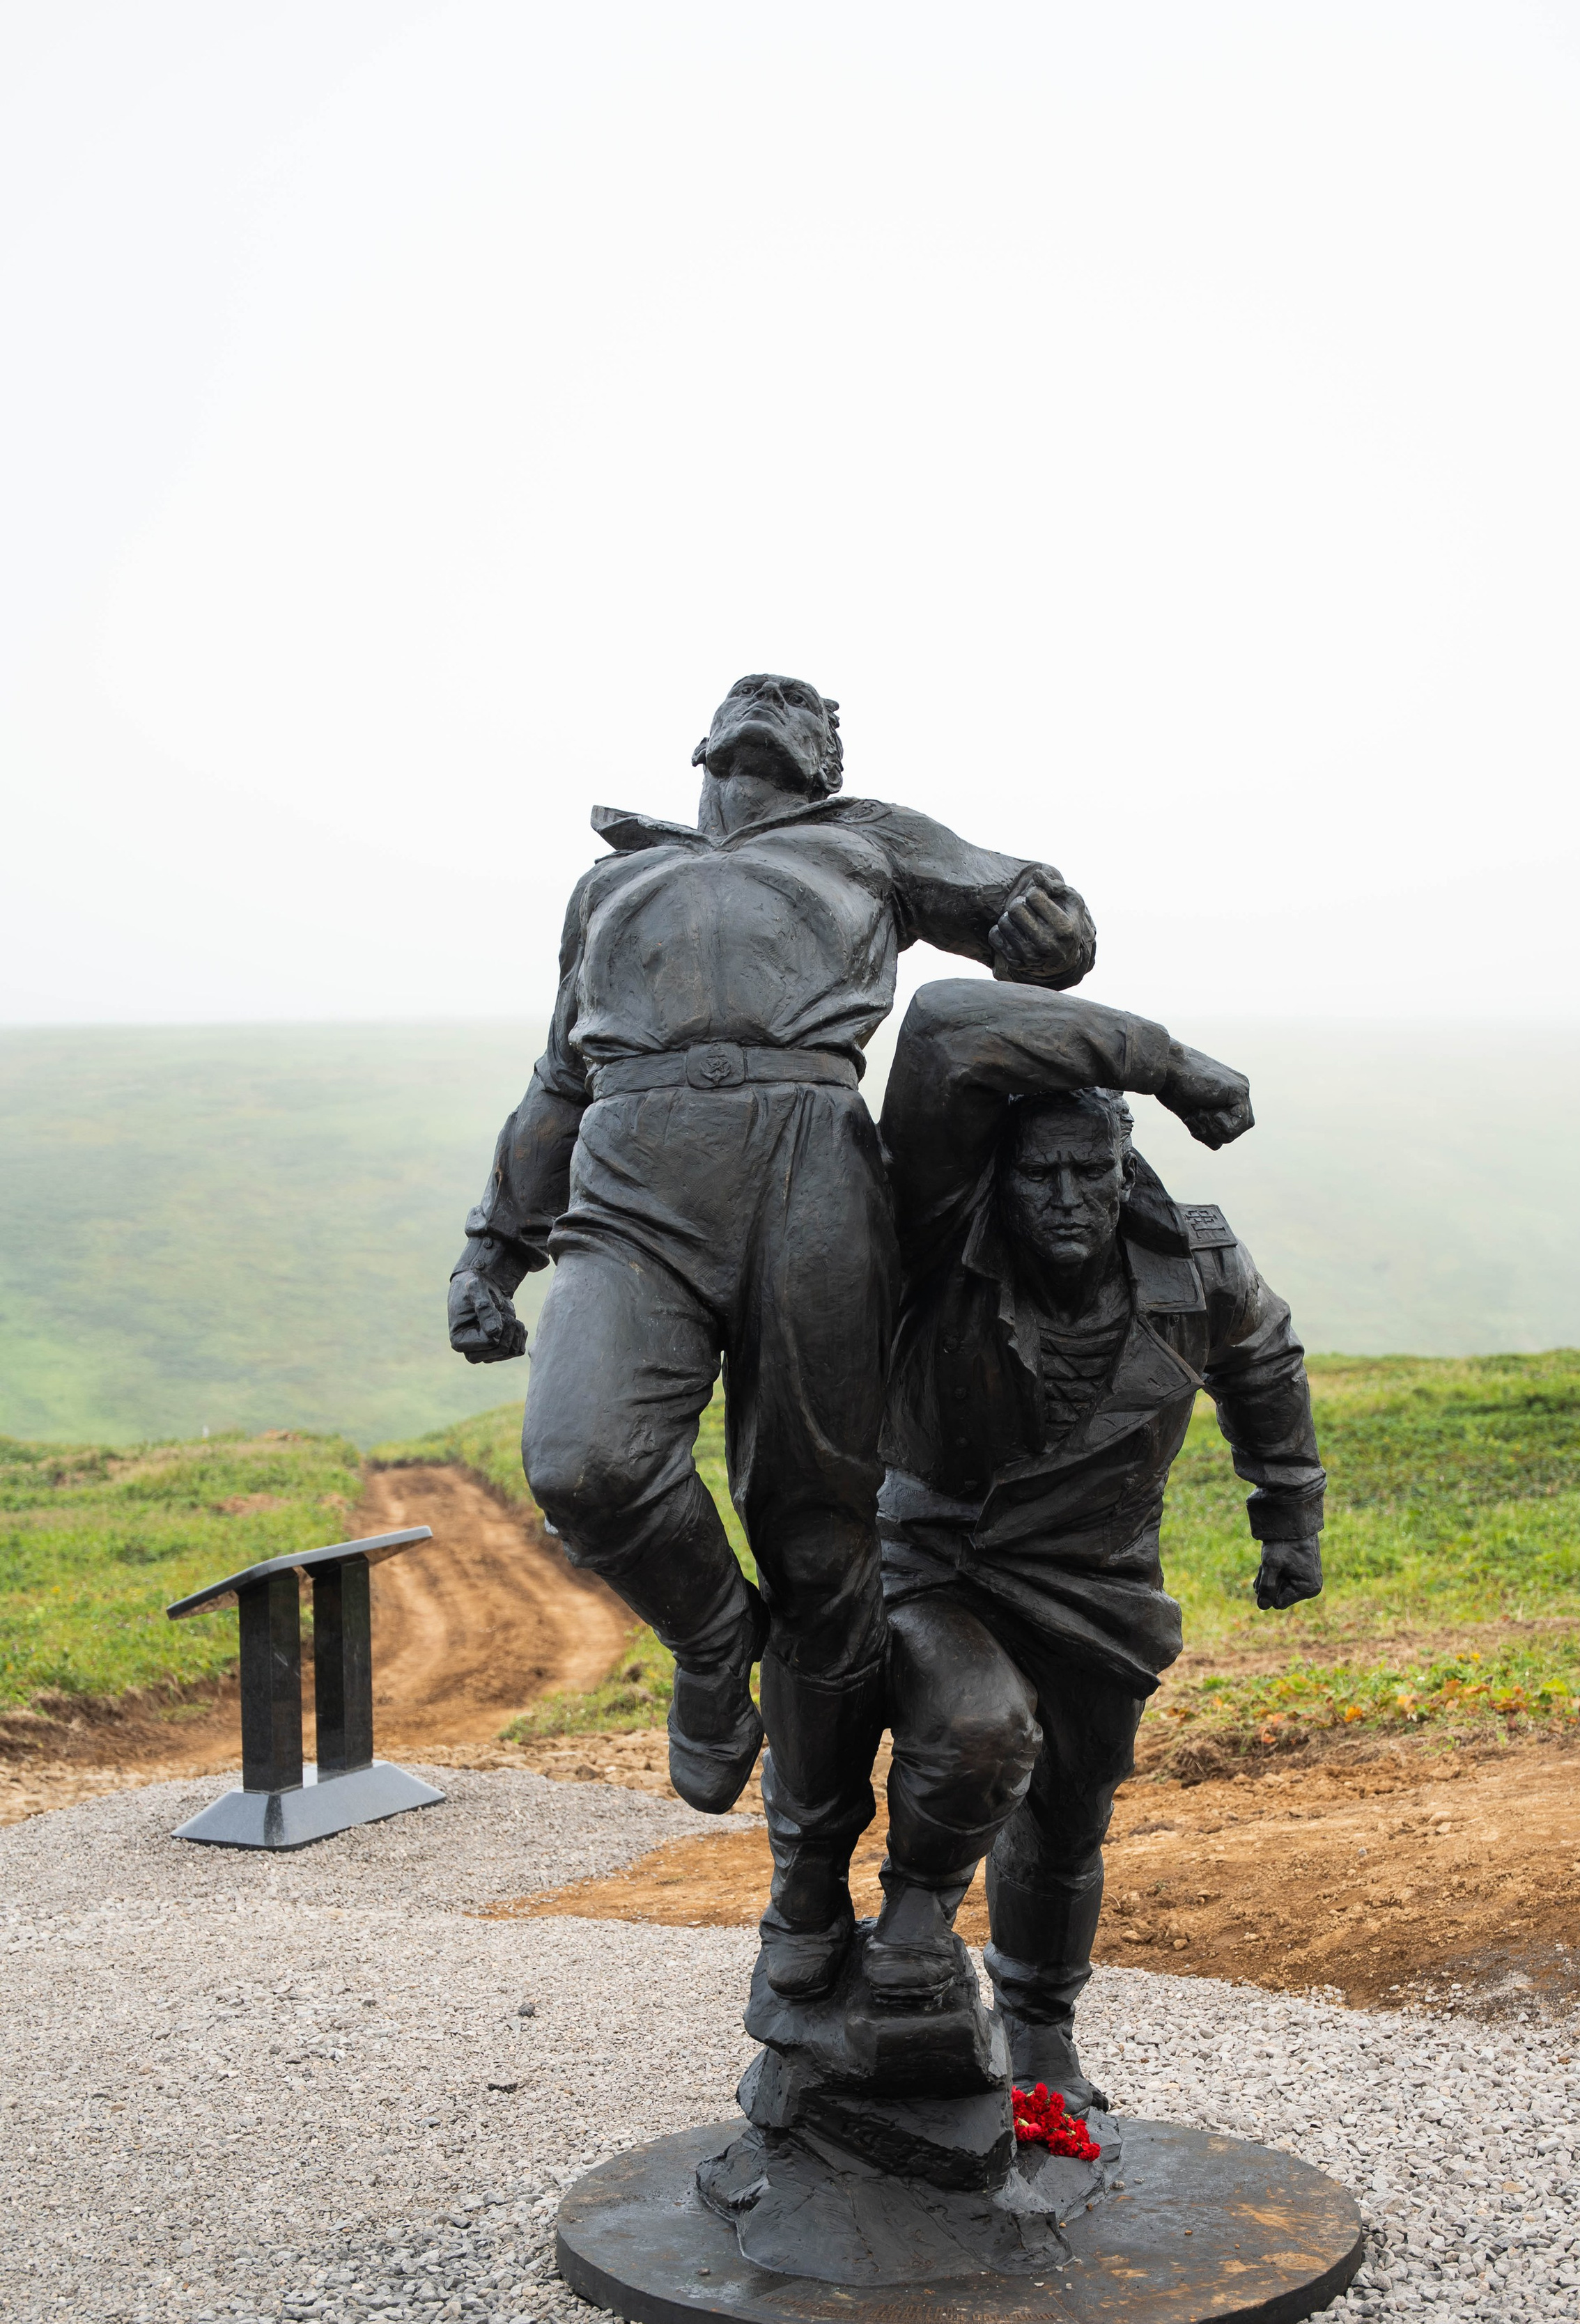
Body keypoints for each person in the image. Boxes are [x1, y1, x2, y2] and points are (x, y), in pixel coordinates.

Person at [447, 675, 1098, 1998]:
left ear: (827, 757)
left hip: (811, 1166)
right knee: (584, 1459)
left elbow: (1031, 917)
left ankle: (808, 1886)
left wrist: (1047, 918)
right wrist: (493, 1242)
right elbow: (558, 1074)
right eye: (756, 699)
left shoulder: (867, 837)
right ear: (706, 744)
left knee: (820, 1544)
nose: (776, 707)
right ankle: (704, 1642)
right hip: (631, 1170)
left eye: (803, 706)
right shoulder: (610, 884)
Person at [866, 978, 1326, 2107]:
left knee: (1070, 1815)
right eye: (1040, 1173)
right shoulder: (941, 1236)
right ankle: (912, 1932)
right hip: (944, 1562)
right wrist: (1166, 1062)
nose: (1070, 1197)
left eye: (1093, 1170)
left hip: (1103, 1578)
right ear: (999, 1176)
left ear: (1127, 1168)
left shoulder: (1198, 1266)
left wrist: (1289, 1518)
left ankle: (1040, 2032)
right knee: (983, 1733)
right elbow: (946, 1028)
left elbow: (1264, 1366)